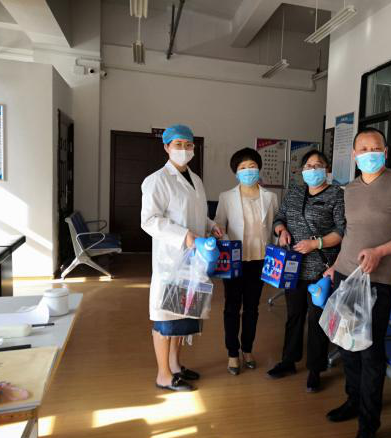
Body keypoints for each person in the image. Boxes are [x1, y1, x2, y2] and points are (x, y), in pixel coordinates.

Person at [323, 127, 391, 438]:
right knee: (346, 344)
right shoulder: (349, 190)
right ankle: (353, 401)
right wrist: (335, 265)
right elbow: (350, 233)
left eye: (376, 148)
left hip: (378, 280)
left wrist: (381, 251)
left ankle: (368, 426)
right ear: (354, 155)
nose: (370, 153)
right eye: (364, 149)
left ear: (386, 151)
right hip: (344, 275)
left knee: (370, 351)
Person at [141, 124, 223, 391]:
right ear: (166, 147)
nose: (184, 149)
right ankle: (163, 374)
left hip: (193, 260)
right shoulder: (157, 180)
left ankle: (175, 366)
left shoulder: (195, 179)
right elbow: (149, 220)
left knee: (183, 316)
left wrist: (211, 225)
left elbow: (196, 213)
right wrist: (185, 235)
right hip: (171, 260)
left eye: (188, 145)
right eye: (178, 144)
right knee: (165, 319)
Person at [267, 150, 345, 393]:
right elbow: (279, 218)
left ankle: (315, 369)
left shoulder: (336, 194)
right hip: (292, 268)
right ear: (302, 170)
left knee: (317, 318)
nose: (313, 169)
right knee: (294, 315)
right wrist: (281, 231)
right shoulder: (294, 192)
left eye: (318, 165)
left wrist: (316, 243)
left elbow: (342, 231)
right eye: (309, 166)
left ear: (327, 169)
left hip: (321, 269)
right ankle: (288, 361)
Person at [215, 148, 279, 375]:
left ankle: (248, 349)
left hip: (259, 260)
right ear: (236, 172)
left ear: (259, 168)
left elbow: (276, 225)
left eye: (252, 166)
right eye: (243, 167)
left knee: (252, 308)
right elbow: (218, 224)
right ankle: (233, 352)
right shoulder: (226, 197)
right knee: (232, 307)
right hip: (234, 260)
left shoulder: (270, 197)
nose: (248, 170)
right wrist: (219, 233)